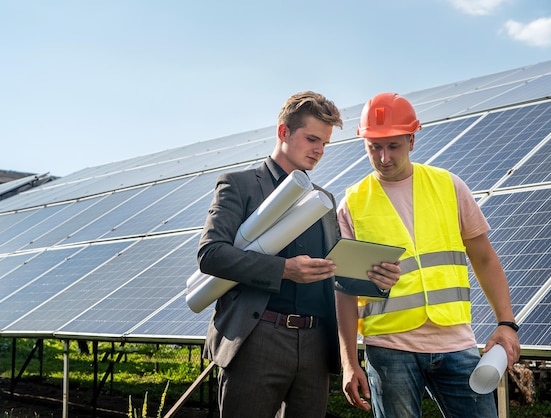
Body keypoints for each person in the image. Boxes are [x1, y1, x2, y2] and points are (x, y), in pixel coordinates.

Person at [334, 92, 521, 418]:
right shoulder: (352, 204)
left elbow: (485, 258)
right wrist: (349, 362)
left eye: (393, 146)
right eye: (374, 147)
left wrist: (507, 323)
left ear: (412, 140)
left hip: (456, 343)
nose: (383, 157)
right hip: (389, 347)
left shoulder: (449, 186)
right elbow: (346, 292)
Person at [197, 91, 344, 418]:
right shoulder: (240, 185)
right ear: (283, 132)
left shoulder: (324, 200)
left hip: (315, 344)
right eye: (311, 139)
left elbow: (335, 267)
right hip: (256, 339)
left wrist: (373, 276)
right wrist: (283, 269)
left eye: (324, 143)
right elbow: (211, 254)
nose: (319, 150)